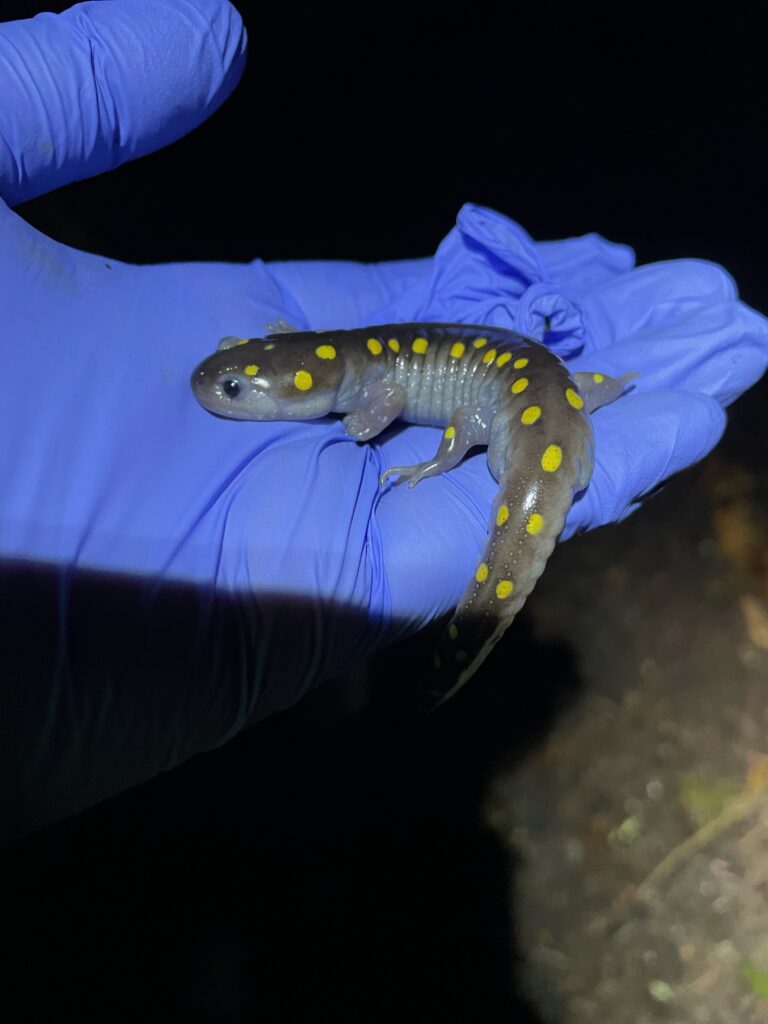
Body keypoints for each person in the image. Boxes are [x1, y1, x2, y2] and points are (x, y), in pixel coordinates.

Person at [2, 0, 766, 841]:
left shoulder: (358, 384)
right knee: (528, 407)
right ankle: (551, 420)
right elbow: (332, 369)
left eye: (246, 390)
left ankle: (509, 471)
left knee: (508, 431)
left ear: (300, 378)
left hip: (514, 391)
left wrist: (412, 443)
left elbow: (374, 417)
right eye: (241, 388)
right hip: (526, 386)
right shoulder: (317, 354)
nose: (232, 396)